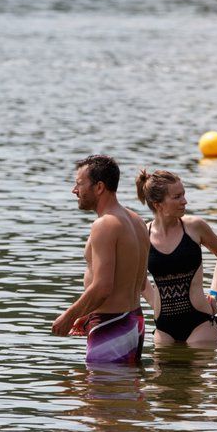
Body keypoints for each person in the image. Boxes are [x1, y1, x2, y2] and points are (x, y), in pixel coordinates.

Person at [52, 155, 151, 365]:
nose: (74, 190)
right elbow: (138, 281)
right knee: (123, 395)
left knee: (100, 394)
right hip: (134, 321)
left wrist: (68, 316)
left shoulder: (105, 225)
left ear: (99, 187)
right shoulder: (137, 221)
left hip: (112, 324)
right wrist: (87, 312)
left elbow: (103, 287)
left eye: (79, 184)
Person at [136, 168, 217, 348]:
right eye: (177, 197)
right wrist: (155, 304)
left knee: (196, 377)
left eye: (184, 195)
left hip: (199, 322)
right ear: (158, 204)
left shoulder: (195, 226)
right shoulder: (143, 234)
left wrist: (214, 294)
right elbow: (139, 280)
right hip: (164, 328)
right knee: (163, 376)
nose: (184, 201)